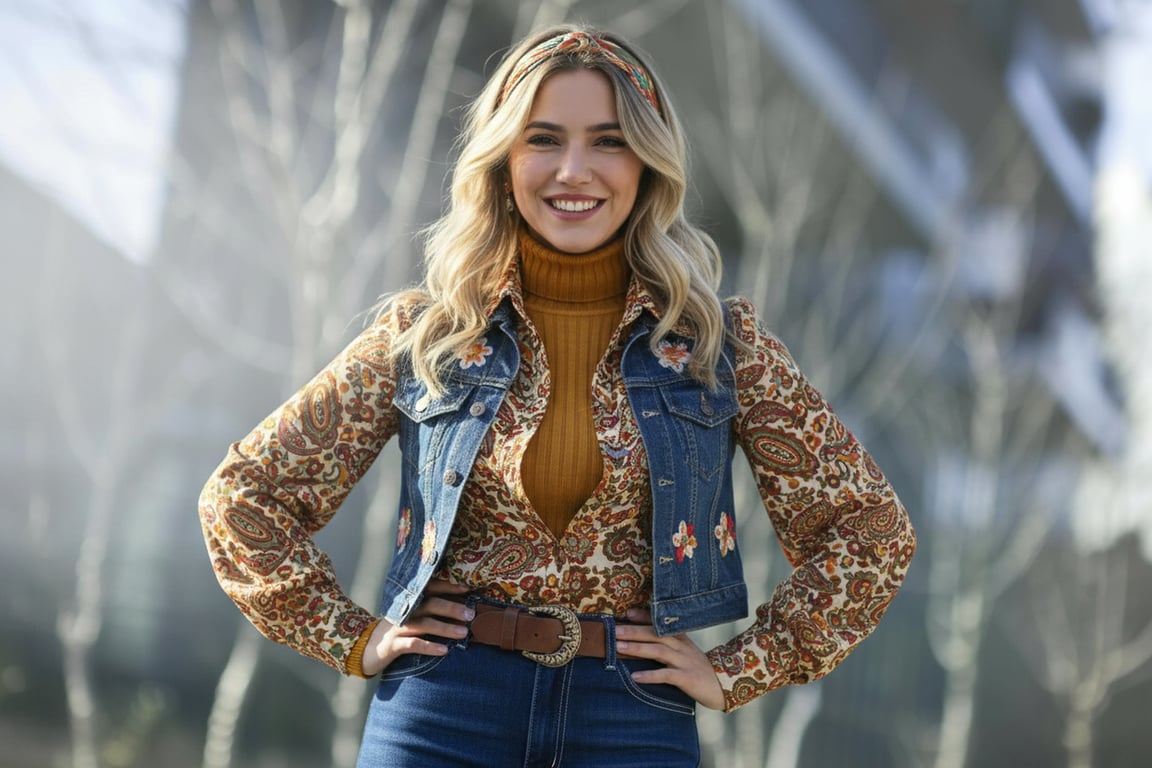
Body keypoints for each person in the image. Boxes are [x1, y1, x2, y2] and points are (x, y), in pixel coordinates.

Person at [199, 23, 915, 767]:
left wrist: (739, 670)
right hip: (443, 711)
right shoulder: (425, 335)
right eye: (544, 139)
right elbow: (242, 497)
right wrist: (351, 636)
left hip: (632, 720)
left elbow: (869, 533)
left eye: (608, 141)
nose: (575, 169)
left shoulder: (719, 347)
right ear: (503, 160)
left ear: (647, 165)